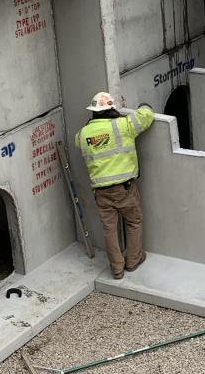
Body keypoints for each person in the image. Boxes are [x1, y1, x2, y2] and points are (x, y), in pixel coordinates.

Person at [76, 92, 155, 279]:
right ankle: (133, 260)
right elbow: (146, 116)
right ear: (111, 109)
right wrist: (144, 105)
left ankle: (117, 269)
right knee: (133, 221)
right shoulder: (122, 126)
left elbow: (78, 141)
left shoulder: (83, 134)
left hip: (101, 192)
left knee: (109, 230)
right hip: (124, 189)